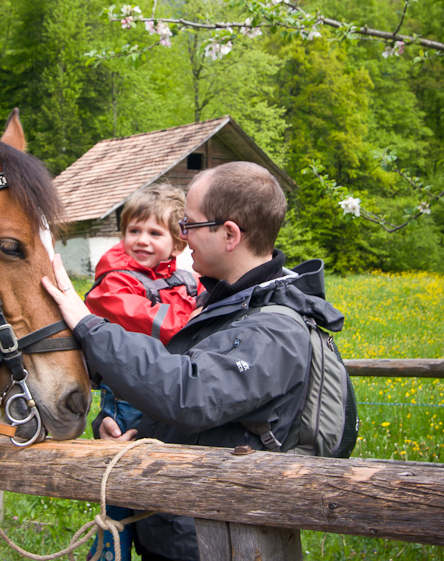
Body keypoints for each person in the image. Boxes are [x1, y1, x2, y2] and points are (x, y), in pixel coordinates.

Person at [43, 161, 345, 561]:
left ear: (230, 234)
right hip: (181, 527)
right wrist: (116, 425)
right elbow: (172, 382)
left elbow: (190, 393)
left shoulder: (275, 328)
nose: (182, 235)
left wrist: (87, 323)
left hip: (223, 542)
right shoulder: (220, 301)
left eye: (190, 225)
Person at [85, 184, 204, 561]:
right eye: (134, 231)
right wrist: (192, 321)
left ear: (178, 244)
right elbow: (148, 320)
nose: (142, 240)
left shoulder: (185, 281)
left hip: (165, 389)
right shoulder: (116, 278)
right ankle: (109, 550)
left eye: (155, 233)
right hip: (128, 395)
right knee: (120, 475)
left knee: (159, 472)